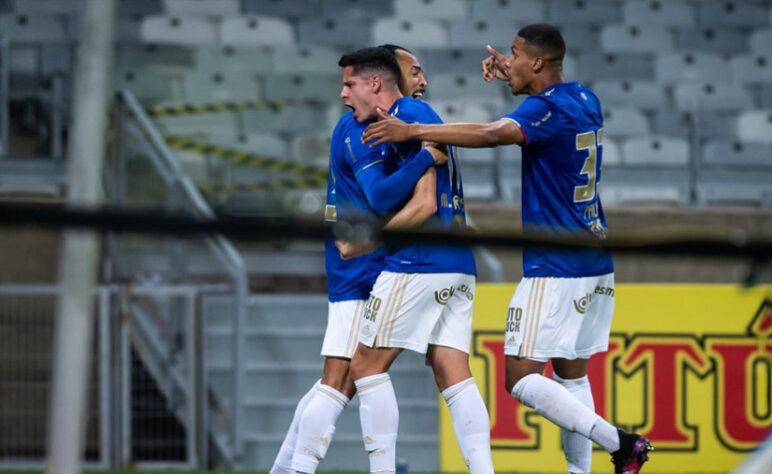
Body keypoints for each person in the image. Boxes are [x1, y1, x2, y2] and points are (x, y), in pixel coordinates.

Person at [361, 24, 654, 474]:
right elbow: (542, 115)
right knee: (571, 376)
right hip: (597, 258)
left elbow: (497, 132)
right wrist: (517, 78)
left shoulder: (542, 111)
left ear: (537, 61)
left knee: (520, 379)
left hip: (555, 264)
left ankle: (620, 442)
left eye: (515, 54)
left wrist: (413, 129)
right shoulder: (584, 100)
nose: (506, 59)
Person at [269, 49, 448, 474]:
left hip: (354, 264)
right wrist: (426, 156)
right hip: (360, 267)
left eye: (348, 84)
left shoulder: (364, 125)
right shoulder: (359, 130)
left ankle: (284, 469)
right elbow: (380, 197)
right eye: (346, 84)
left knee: (337, 383)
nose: (343, 93)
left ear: (374, 82)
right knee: (342, 382)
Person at [338, 47, 495, 474]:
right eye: (416, 71)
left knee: (365, 367)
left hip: (419, 262)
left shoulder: (407, 116)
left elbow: (416, 202)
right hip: (459, 263)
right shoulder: (420, 119)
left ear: (377, 81)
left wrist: (369, 241)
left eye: (349, 84)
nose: (422, 79)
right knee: (453, 374)